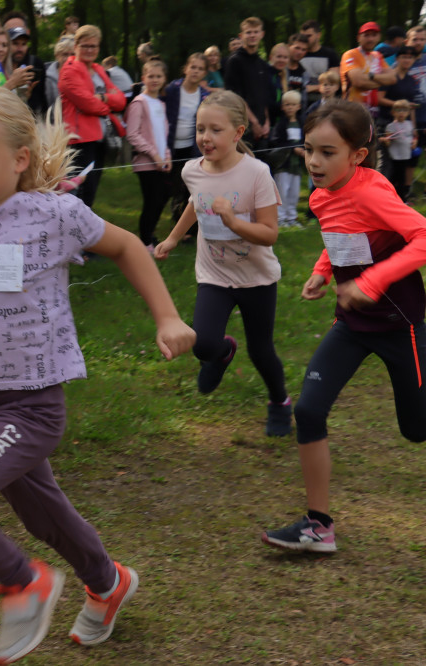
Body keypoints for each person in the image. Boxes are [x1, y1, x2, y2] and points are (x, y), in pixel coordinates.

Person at [0, 85, 194, 664]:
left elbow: (129, 246)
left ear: (20, 160)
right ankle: (108, 583)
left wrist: (167, 316)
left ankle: (22, 583)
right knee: (44, 514)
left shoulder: (54, 214)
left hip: (28, 406)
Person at [262, 100, 426, 553]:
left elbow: (423, 236)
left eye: (328, 152)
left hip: (399, 325)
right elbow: (341, 235)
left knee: (417, 429)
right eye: (310, 149)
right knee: (309, 411)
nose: (315, 161)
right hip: (352, 324)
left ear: (356, 155)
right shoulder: (319, 194)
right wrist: (321, 270)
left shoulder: (373, 191)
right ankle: (319, 526)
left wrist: (372, 281)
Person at [154, 90, 292, 437]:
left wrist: (233, 223)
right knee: (203, 343)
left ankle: (279, 402)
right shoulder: (192, 170)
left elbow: (269, 233)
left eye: (216, 130)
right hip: (214, 273)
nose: (205, 137)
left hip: (256, 278)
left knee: (262, 352)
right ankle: (223, 352)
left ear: (238, 133)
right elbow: (196, 203)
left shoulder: (257, 174)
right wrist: (172, 237)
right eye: (201, 129)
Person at [60, 24, 127, 207]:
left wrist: (103, 97)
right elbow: (87, 103)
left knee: (92, 189)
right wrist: (108, 106)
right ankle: (73, 230)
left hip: (100, 137)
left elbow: (121, 100)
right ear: (76, 46)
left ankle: (84, 229)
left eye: (94, 46)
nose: (90, 50)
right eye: (85, 45)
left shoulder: (98, 69)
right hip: (80, 139)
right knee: (78, 190)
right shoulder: (69, 71)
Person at [126, 59, 172, 249]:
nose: (154, 80)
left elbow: (164, 133)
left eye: (158, 76)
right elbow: (132, 134)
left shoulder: (160, 104)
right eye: (150, 76)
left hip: (162, 161)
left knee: (164, 196)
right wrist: (154, 155)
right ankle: (145, 242)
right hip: (147, 163)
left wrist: (167, 155)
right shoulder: (139, 102)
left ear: (164, 79)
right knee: (152, 201)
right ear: (143, 78)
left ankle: (150, 234)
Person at [164, 53, 210, 223]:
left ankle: (190, 226)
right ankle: (177, 221)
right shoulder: (172, 89)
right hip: (171, 147)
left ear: (205, 73)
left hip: (192, 147)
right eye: (193, 67)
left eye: (200, 69)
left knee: (190, 186)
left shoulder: (204, 96)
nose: (195, 71)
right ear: (185, 68)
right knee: (175, 186)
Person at [224, 17, 276, 151]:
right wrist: (254, 122)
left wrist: (266, 123)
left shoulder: (262, 64)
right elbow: (235, 97)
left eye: (255, 32)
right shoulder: (234, 61)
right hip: (242, 127)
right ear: (241, 36)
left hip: (262, 128)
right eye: (248, 32)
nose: (252, 35)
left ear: (262, 34)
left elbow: (264, 96)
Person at [380, 46, 419, 199]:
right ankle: (384, 197)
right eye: (403, 57)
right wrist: (399, 106)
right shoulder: (389, 77)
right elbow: (380, 98)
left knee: (403, 163)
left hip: (406, 125)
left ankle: (402, 196)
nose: (407, 60)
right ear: (397, 59)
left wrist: (414, 127)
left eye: (410, 57)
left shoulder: (412, 80)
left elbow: (412, 106)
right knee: (388, 164)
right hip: (388, 122)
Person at [340, 21, 396, 119]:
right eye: (366, 35)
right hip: (352, 112)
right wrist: (383, 81)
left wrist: (371, 76)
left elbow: (393, 78)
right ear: (358, 38)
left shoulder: (378, 56)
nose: (370, 39)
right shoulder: (351, 54)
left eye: (374, 35)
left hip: (372, 113)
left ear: (379, 37)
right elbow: (359, 82)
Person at [268, 90, 305, 227]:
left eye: (293, 104)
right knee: (282, 191)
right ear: (283, 107)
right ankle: (280, 218)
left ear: (298, 106)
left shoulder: (302, 123)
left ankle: (292, 217)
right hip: (283, 164)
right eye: (287, 104)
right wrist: (293, 148)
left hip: (296, 165)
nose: (290, 107)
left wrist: (303, 150)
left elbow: (305, 139)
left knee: (294, 192)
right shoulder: (281, 124)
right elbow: (277, 141)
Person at [2, 12, 48, 115]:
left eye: (23, 43)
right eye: (15, 42)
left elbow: (42, 101)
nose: (20, 47)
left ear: (27, 32)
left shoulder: (36, 63)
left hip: (31, 124)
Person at [381, 99, 417, 201]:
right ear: (393, 112)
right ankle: (389, 197)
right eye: (398, 110)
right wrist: (385, 140)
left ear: (408, 113)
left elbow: (413, 137)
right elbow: (388, 142)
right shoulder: (391, 126)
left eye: (404, 110)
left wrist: (414, 142)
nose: (401, 113)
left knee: (402, 178)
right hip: (395, 157)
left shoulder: (409, 124)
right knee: (393, 178)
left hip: (405, 156)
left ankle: (401, 199)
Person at [299, 20, 341, 99]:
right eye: (303, 36)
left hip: (324, 101)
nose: (305, 39)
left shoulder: (330, 54)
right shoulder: (298, 55)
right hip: (300, 102)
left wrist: (308, 88)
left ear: (318, 35)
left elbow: (334, 82)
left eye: (308, 36)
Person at [45, 37, 75, 109]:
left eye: (73, 54)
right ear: (56, 55)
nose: (69, 58)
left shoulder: (84, 75)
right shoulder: (47, 78)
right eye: (65, 54)